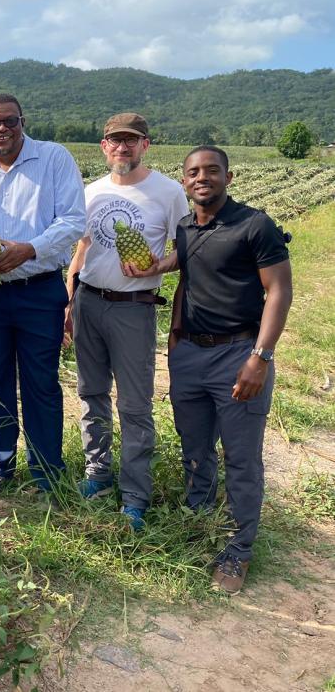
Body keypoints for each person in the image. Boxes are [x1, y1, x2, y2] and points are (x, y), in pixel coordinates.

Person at [157, 146, 291, 594]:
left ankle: (237, 550)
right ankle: (199, 522)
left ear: (228, 177)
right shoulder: (185, 227)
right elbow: (186, 269)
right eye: (193, 172)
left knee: (241, 455)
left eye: (211, 170)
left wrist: (261, 356)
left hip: (239, 354)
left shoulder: (254, 225)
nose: (202, 178)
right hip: (190, 354)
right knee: (194, 447)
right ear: (184, 181)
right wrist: (174, 333)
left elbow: (279, 292)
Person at [65, 113, 189, 529]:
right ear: (104, 147)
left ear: (145, 145)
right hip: (89, 301)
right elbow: (81, 252)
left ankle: (135, 493)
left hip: (135, 307)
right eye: (115, 141)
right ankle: (97, 475)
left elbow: (187, 250)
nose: (122, 147)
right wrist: (68, 302)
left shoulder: (169, 192)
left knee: (135, 404)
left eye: (131, 141)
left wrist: (161, 263)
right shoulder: (90, 192)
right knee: (90, 392)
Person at [0, 94, 85, 495]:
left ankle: (46, 471)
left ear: (22, 122)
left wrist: (29, 249)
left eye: (9, 122)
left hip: (38, 289)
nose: (1, 130)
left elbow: (73, 220)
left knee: (40, 381)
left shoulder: (53, 158)